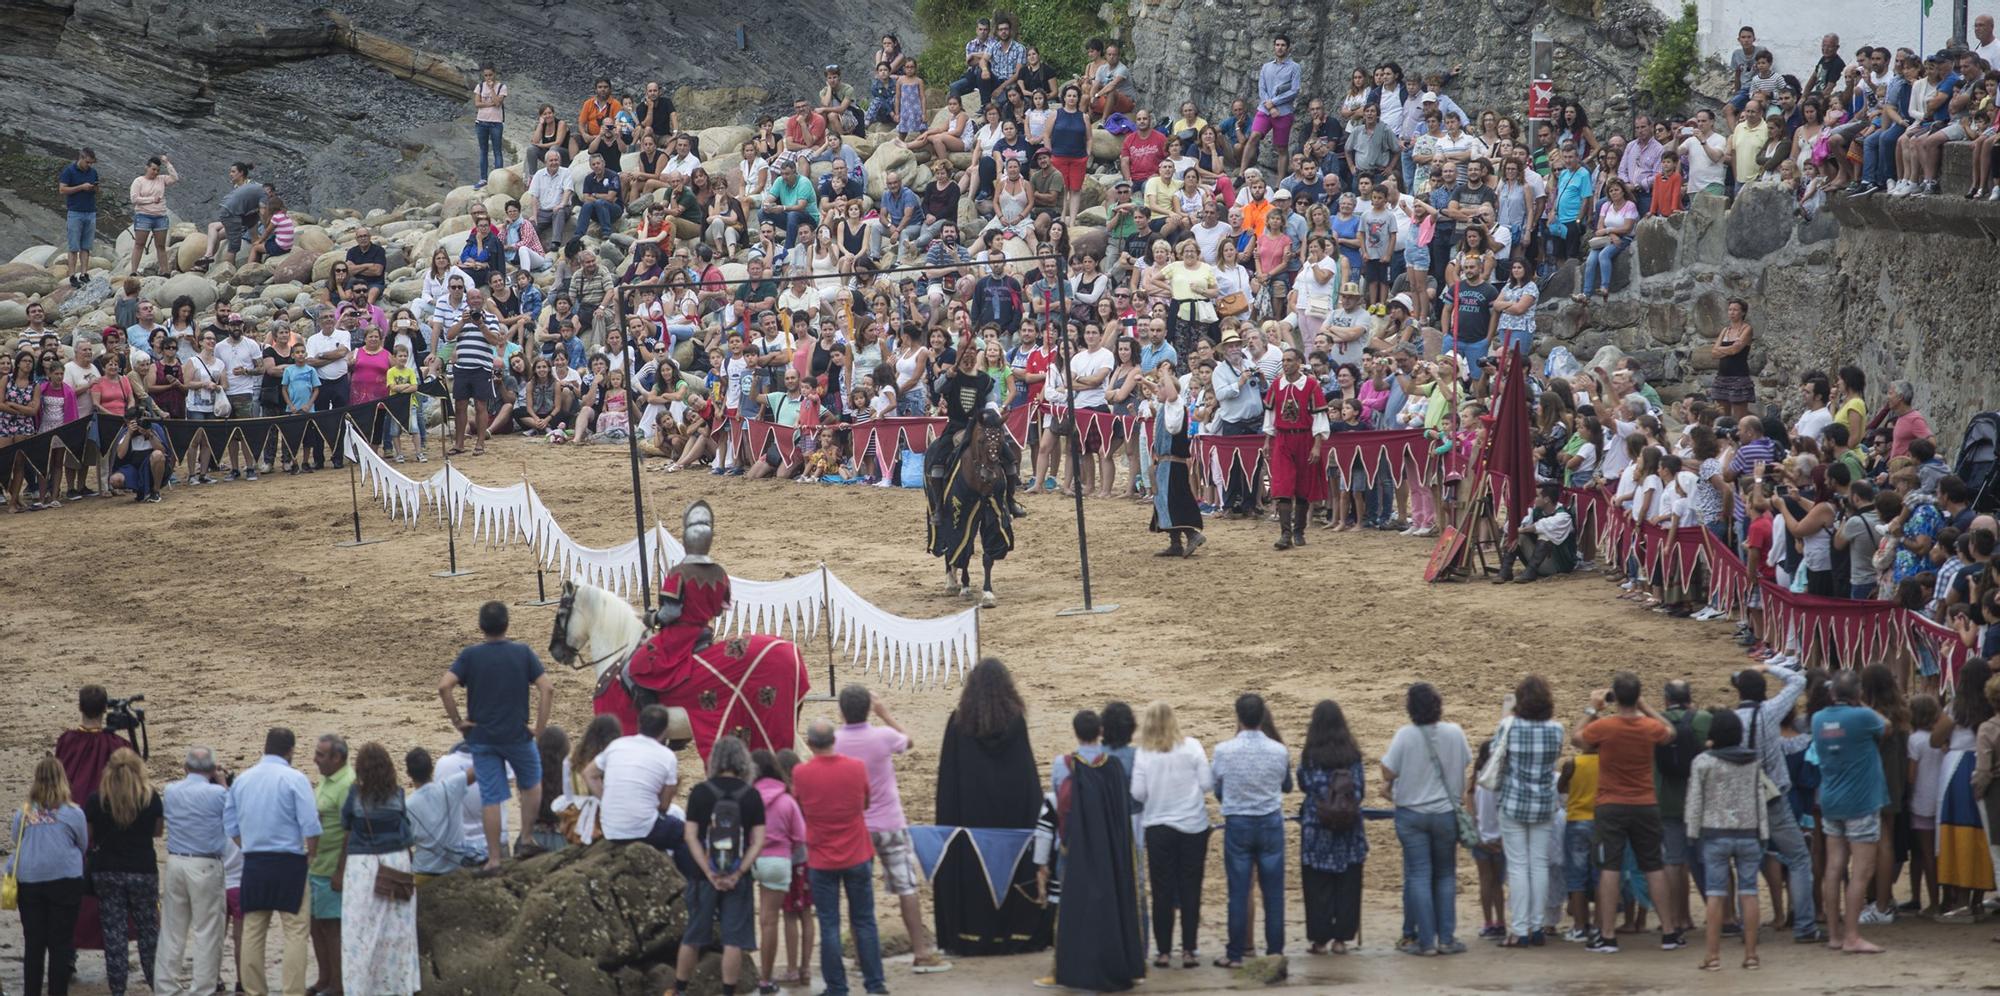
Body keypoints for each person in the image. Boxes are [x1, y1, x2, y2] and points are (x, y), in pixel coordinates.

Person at [933, 658, 1052, 956]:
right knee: (1011, 873)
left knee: (976, 876)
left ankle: (972, 934)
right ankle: (1016, 933)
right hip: (1012, 818)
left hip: (970, 820)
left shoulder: (959, 721)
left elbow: (948, 780)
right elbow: (1027, 777)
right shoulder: (1014, 720)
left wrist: (947, 825)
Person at [833, 685, 950, 974]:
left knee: (858, 892)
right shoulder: (882, 737)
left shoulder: (835, 741)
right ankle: (921, 953)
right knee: (906, 886)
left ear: (842, 711)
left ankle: (862, 958)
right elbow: (908, 741)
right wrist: (885, 714)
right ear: (868, 709)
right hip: (889, 822)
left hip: (856, 826)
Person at [437, 600, 554, 870]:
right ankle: (525, 837)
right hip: (516, 734)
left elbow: (444, 687)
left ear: (481, 627)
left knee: (492, 796)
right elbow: (547, 689)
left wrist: (458, 722)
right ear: (507, 624)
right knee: (531, 783)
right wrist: (539, 728)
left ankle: (493, 859)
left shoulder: (470, 655)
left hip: (482, 737)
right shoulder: (522, 652)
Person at [1572, 672, 1678, 953]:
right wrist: (1646, 708)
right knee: (1653, 866)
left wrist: (1592, 709)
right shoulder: (1648, 727)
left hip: (1611, 804)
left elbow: (1577, 738)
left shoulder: (1605, 726)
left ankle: (1607, 935)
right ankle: (1669, 932)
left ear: (1615, 698)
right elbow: (1670, 732)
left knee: (1610, 868)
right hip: (1644, 802)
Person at [1046, 710, 1147, 993]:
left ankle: (1072, 966)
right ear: (1100, 730)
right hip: (1109, 844)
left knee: (1072, 905)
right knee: (1110, 902)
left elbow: (1058, 799)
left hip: (1073, 842)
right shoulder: (1112, 765)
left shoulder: (1063, 764)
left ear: (1076, 732)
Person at [1730, 664, 1824, 942]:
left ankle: (1748, 929)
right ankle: (1805, 926)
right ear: (1762, 692)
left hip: (1745, 798)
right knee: (1798, 859)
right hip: (1774, 798)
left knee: (1747, 865)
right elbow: (1797, 679)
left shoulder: (1732, 720)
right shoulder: (1770, 712)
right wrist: (1768, 666)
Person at [792, 719, 883, 996]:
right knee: (865, 920)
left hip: (822, 856)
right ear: (834, 740)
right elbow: (864, 803)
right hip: (856, 851)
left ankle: (837, 986)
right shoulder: (855, 768)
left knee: (830, 923)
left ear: (809, 744)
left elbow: (800, 808)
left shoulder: (801, 773)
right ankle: (875, 983)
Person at [1381, 682, 1470, 955]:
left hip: (1412, 815)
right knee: (1445, 875)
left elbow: (1387, 771)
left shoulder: (1405, 735)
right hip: (1445, 813)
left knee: (1418, 875)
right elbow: (1465, 762)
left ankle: (1425, 941)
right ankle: (1446, 938)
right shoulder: (1455, 733)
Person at [230, 728, 321, 996]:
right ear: (290, 750)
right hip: (289, 862)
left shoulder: (243, 780)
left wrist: (247, 847)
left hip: (255, 862)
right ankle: (292, 991)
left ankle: (254, 990)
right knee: (295, 932)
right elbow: (311, 827)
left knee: (253, 930)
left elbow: (230, 825)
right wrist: (311, 857)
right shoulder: (295, 779)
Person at [674, 736, 767, 996]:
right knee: (733, 940)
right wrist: (737, 872)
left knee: (693, 936)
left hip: (703, 876)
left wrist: (707, 870)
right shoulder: (751, 795)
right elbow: (758, 841)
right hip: (739, 876)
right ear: (742, 761)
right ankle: (728, 992)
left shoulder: (701, 792)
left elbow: (690, 835)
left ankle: (679, 989)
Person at [1210, 692, 1292, 967]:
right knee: (1273, 893)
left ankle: (1235, 954)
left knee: (1238, 891)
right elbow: (1287, 785)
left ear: (1238, 717)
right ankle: (1275, 952)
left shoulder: (1224, 750)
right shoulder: (1279, 750)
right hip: (1270, 822)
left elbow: (1218, 787)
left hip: (1239, 823)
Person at [1684, 709, 1768, 971]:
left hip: (1715, 833)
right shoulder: (1752, 760)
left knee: (1716, 894)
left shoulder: (1703, 762)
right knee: (1749, 892)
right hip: (1748, 832)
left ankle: (1713, 956)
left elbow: (1695, 800)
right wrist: (1763, 832)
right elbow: (1759, 797)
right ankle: (1751, 955)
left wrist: (1692, 831)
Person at [1129, 701, 1212, 968]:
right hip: (1192, 825)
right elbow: (1207, 784)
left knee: (1162, 890)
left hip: (1159, 826)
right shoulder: (1193, 746)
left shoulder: (1143, 753)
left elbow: (1138, 794)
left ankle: (1163, 951)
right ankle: (1189, 949)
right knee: (1191, 888)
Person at [1814, 670, 1890, 954]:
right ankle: (1852, 936)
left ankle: (1834, 934)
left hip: (1831, 799)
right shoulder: (1863, 716)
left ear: (1832, 693)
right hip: (1861, 801)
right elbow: (1888, 726)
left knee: (1834, 868)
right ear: (1857, 694)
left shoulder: (1818, 718)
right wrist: (1862, 704)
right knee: (1861, 871)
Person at [338, 741, 418, 995]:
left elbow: (345, 826)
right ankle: (396, 987)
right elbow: (406, 834)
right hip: (395, 864)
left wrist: (337, 870)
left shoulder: (355, 796)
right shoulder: (398, 794)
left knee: (359, 934)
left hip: (363, 867)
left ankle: (360, 988)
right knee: (397, 933)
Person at [1492, 676, 1564, 947]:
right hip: (1544, 803)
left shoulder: (1509, 725)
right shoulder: (1556, 729)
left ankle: (1521, 928)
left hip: (1514, 802)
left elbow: (1499, 757)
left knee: (1519, 865)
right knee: (1538, 864)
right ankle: (1536, 926)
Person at [10, 755, 90, 996]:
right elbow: (82, 844)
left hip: (31, 881)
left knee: (34, 945)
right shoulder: (73, 812)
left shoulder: (22, 814)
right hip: (65, 880)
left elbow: (18, 841)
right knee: (60, 945)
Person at [86, 749, 163, 996]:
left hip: (107, 872)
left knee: (114, 935)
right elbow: (157, 832)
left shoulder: (96, 800)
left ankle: (118, 989)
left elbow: (89, 836)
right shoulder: (150, 798)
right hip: (142, 870)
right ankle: (156, 984)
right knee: (149, 932)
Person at [157, 746, 231, 996]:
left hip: (176, 861)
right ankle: (202, 990)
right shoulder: (218, 794)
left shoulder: (171, 790)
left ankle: (166, 988)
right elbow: (232, 816)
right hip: (206, 864)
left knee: (172, 930)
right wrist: (221, 783)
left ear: (185, 768)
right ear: (211, 769)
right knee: (207, 931)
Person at [1298, 699, 1368, 955]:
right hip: (1349, 828)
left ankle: (1319, 939)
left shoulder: (1310, 755)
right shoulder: (1352, 755)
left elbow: (1304, 784)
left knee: (1317, 885)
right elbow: (1360, 790)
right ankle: (1341, 939)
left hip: (1317, 828)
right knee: (1348, 883)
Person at [1263, 346, 1329, 550]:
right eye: (1283, 360)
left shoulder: (1310, 386)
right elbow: (1270, 415)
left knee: (1302, 485)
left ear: (1299, 363)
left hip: (1304, 438)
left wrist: (1317, 446)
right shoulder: (1276, 385)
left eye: (1289, 360)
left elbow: (1319, 417)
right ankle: (1285, 534)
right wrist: (1267, 440)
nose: (1285, 364)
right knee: (1282, 485)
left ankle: (1299, 530)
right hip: (1283, 439)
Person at [303, 735, 352, 996]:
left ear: (337, 758)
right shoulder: (326, 779)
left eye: (321, 755)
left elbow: (350, 831)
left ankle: (339, 984)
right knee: (315, 924)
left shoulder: (347, 784)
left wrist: (341, 870)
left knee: (332, 928)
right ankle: (325, 978)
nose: (315, 759)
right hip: (317, 865)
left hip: (332, 867)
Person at [58, 148, 100, 287]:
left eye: (92, 163)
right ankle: (72, 275)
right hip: (75, 212)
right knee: (74, 246)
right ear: (81, 158)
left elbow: (97, 190)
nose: (90, 165)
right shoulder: (69, 171)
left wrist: (94, 188)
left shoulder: (93, 172)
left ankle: (84, 273)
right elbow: (62, 189)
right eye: (88, 162)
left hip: (90, 211)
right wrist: (81, 187)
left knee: (86, 246)